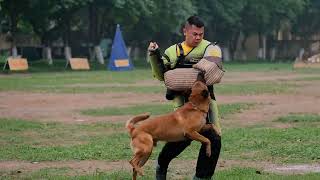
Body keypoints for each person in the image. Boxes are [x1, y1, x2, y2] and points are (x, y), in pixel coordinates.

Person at [147, 15, 222, 180]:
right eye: (194, 34)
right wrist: (153, 55)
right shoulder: (172, 52)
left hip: (206, 106)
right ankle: (161, 166)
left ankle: (201, 178)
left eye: (201, 34)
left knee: (214, 139)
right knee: (181, 139)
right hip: (182, 105)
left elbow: (215, 63)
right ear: (185, 31)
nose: (198, 37)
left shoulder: (209, 48)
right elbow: (161, 75)